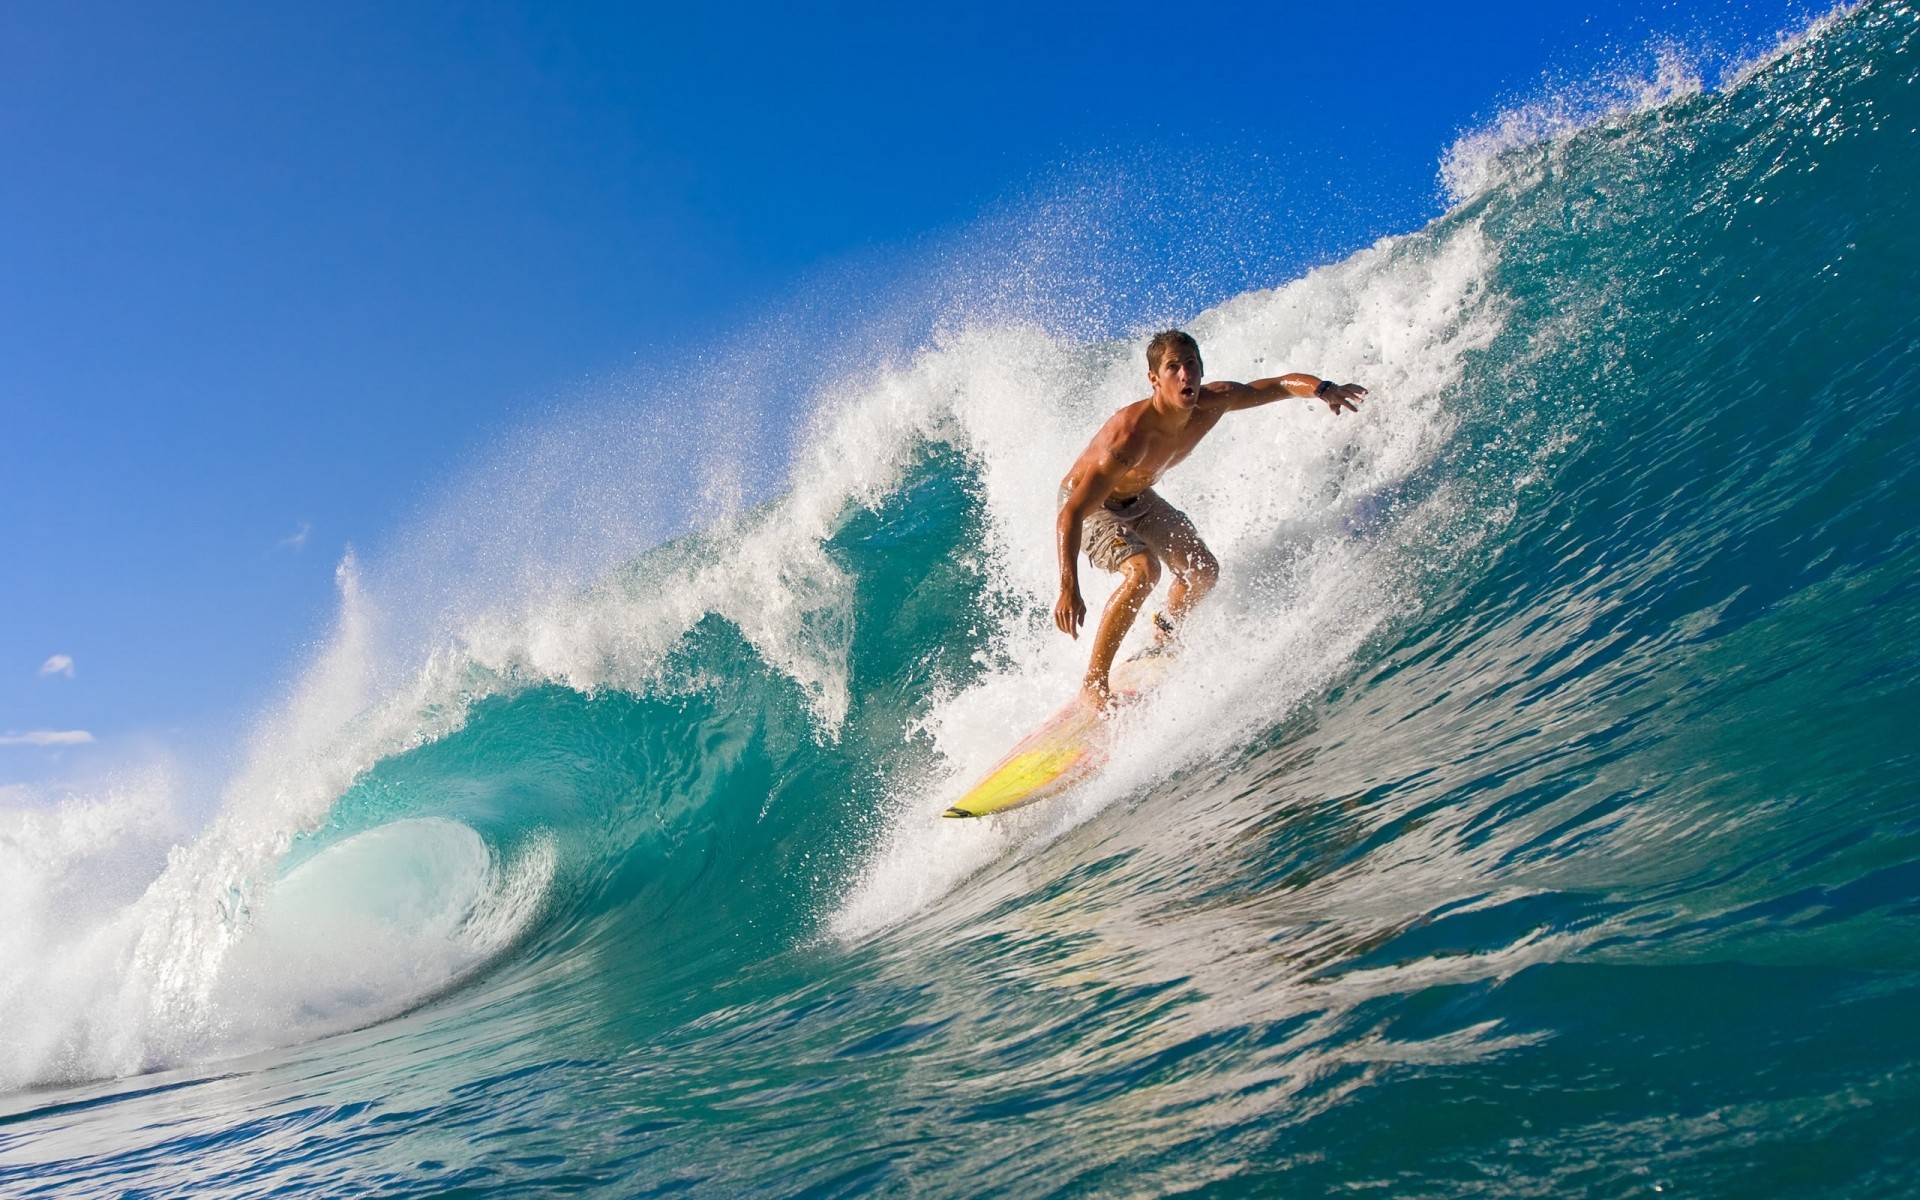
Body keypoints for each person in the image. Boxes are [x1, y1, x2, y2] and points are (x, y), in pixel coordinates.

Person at [1054, 329, 1367, 706]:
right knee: (1144, 571)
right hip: (1091, 504)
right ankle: (1093, 684)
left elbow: (1277, 386)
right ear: (1154, 379)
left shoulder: (1213, 401)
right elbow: (1071, 513)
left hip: (1139, 497)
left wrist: (1322, 388)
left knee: (1202, 570)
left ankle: (1164, 632)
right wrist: (1069, 587)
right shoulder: (1130, 437)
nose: (1185, 374)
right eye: (1173, 367)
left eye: (1191, 365)